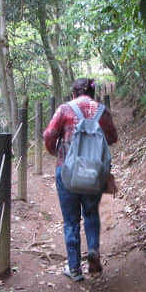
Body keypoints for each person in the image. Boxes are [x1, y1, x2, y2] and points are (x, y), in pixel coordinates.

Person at [44, 78, 118, 281]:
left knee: (71, 220)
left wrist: (56, 152)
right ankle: (93, 251)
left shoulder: (64, 109)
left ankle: (74, 268)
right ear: (93, 94)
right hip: (94, 171)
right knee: (91, 213)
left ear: (73, 94)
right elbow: (112, 137)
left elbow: (49, 134)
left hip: (66, 170)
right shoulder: (102, 111)